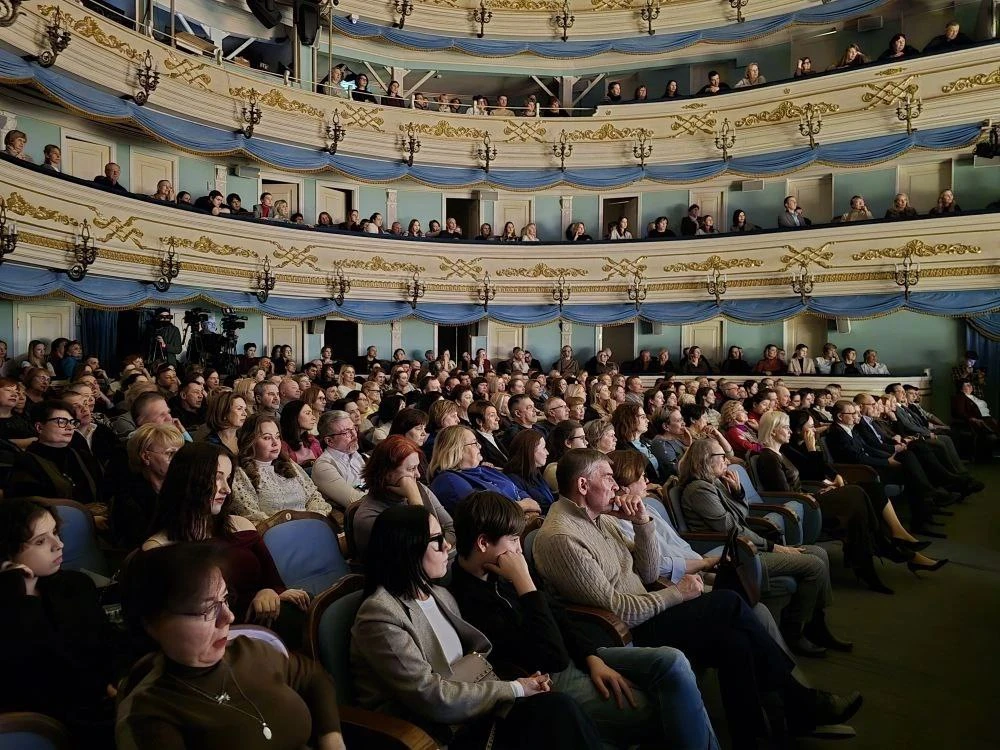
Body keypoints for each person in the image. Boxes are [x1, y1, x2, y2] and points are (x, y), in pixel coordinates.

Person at [533, 449, 862, 745]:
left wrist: (643, 523)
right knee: (729, 604)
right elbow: (617, 609)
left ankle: (754, 735)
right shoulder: (562, 536)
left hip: (645, 609)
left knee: (735, 643)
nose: (617, 486)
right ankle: (801, 703)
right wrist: (678, 593)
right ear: (582, 485)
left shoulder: (602, 517)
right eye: (608, 478)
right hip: (618, 633)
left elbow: (647, 574)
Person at [449, 491, 720, 750]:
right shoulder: (466, 600)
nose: (519, 548)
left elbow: (560, 616)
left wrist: (593, 659)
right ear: (483, 543)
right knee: (667, 706)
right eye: (512, 539)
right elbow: (551, 657)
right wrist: (525, 585)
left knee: (672, 661)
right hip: (547, 679)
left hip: (579, 654)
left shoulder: (503, 568)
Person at [351, 503, 604, 749]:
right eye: (437, 539)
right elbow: (428, 695)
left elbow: (473, 659)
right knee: (558, 713)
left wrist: (519, 683)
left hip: (472, 710)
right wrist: (514, 688)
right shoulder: (380, 614)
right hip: (430, 732)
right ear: (409, 548)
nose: (447, 545)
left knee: (559, 709)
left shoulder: (439, 594)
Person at [117, 543, 344, 750]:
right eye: (207, 610)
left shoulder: (251, 650)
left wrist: (331, 737)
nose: (229, 617)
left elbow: (313, 676)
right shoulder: (149, 714)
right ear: (153, 623)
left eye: (224, 600)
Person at [679, 438, 849, 657]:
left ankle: (816, 622)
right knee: (814, 564)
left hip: (744, 543)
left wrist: (738, 491)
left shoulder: (716, 482)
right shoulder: (698, 489)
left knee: (819, 552)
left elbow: (742, 517)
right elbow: (733, 528)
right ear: (705, 460)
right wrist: (774, 547)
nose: (727, 460)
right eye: (721, 456)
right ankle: (795, 631)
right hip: (734, 553)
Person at [143, 442, 310, 647]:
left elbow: (273, 581)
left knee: (302, 603)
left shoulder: (240, 524)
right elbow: (186, 617)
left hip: (265, 619)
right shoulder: (158, 548)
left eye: (228, 478)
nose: (227, 489)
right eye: (217, 477)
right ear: (190, 480)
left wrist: (269, 591)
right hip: (217, 637)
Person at [0, 498, 124, 746]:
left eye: (55, 533)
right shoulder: (9, 610)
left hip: (105, 702)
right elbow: (44, 669)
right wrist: (22, 596)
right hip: (52, 719)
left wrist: (118, 681)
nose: (59, 545)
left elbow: (106, 641)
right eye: (40, 541)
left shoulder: (76, 585)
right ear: (8, 552)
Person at [352, 434, 454, 559]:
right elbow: (420, 553)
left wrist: (442, 549)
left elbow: (451, 528)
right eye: (411, 469)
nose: (417, 474)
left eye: (417, 467)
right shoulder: (369, 517)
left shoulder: (420, 488)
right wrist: (415, 501)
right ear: (387, 474)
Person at [230, 413, 331, 522]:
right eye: (267, 438)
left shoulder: (288, 464)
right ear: (250, 441)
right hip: (274, 534)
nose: (275, 443)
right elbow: (251, 516)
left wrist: (312, 518)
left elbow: (313, 496)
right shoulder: (240, 473)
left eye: (277, 437)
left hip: (309, 525)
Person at [10, 400, 105, 509]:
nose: (70, 427)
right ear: (39, 427)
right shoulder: (27, 461)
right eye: (61, 421)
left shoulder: (81, 454)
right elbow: (29, 504)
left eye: (73, 422)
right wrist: (87, 516)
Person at [110, 423, 185, 549]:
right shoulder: (128, 498)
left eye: (181, 453)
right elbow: (138, 544)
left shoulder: (185, 487)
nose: (179, 460)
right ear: (146, 456)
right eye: (170, 454)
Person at [503, 429, 556, 513]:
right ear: (530, 451)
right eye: (543, 448)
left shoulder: (535, 472)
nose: (547, 452)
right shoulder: (513, 480)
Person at [278, 400, 322, 467]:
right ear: (294, 416)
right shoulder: (280, 444)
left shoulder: (312, 440)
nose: (314, 418)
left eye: (312, 413)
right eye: (307, 413)